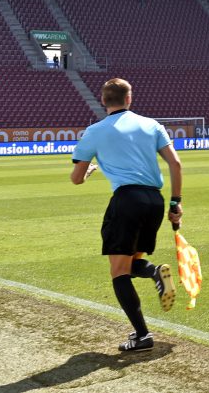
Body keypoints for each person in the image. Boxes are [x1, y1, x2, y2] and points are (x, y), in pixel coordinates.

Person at [69, 78, 181, 353]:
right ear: (129, 99)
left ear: (103, 100)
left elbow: (76, 178)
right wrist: (175, 203)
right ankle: (154, 273)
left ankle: (142, 335)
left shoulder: (93, 131)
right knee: (130, 264)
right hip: (154, 201)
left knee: (118, 272)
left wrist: (90, 172)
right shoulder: (152, 125)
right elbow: (176, 164)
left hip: (127, 201)